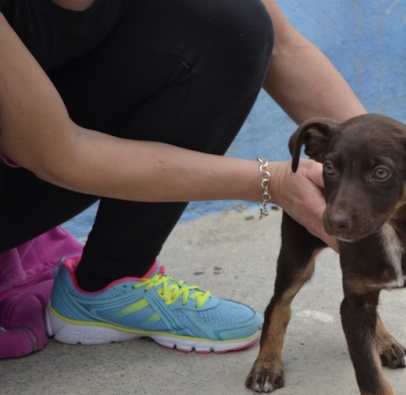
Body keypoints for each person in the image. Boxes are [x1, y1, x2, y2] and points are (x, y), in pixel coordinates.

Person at [0, 0, 367, 355]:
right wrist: (273, 182)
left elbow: (284, 48)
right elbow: (60, 155)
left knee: (231, 23)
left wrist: (399, 173)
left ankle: (110, 282)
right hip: (37, 159)